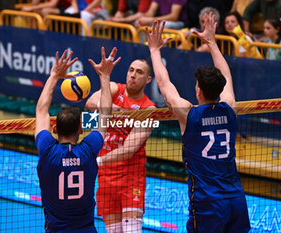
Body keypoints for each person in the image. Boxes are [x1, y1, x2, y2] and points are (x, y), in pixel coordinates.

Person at [146, 14, 251, 233]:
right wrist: (212, 43)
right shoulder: (230, 108)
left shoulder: (189, 114)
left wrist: (155, 50)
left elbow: (164, 85)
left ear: (199, 90)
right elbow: (227, 77)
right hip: (236, 198)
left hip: (208, 202)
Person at [35, 47, 120, 232]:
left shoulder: (47, 150)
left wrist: (54, 75)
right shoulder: (88, 150)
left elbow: (41, 110)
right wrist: (104, 76)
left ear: (54, 129)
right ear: (81, 130)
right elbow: (105, 113)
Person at [85, 59, 156, 232]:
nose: (133, 75)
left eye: (139, 72)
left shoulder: (149, 109)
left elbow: (128, 150)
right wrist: (108, 107)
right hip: (106, 177)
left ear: (148, 79)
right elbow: (89, 103)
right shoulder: (115, 89)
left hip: (131, 176)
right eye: (131, 70)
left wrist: (96, 162)